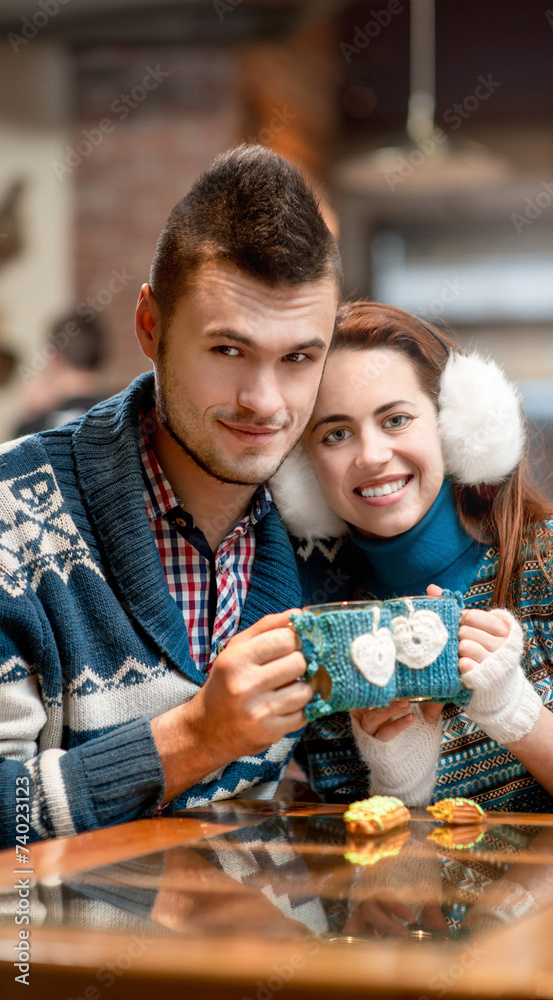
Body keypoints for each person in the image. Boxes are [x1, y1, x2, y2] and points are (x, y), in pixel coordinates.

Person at [0, 144, 341, 844]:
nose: (264, 402)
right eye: (228, 350)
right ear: (150, 326)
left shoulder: (326, 532)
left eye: (299, 358)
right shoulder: (12, 514)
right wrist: (194, 737)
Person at [272, 301, 553, 816]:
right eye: (336, 434)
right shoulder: (331, 632)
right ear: (303, 470)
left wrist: (515, 713)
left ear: (454, 427)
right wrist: (398, 780)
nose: (369, 455)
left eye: (396, 419)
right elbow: (357, 869)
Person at [15, 311, 108, 436]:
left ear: (56, 358)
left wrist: (30, 415)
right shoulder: (127, 413)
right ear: (102, 356)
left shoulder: (34, 429)